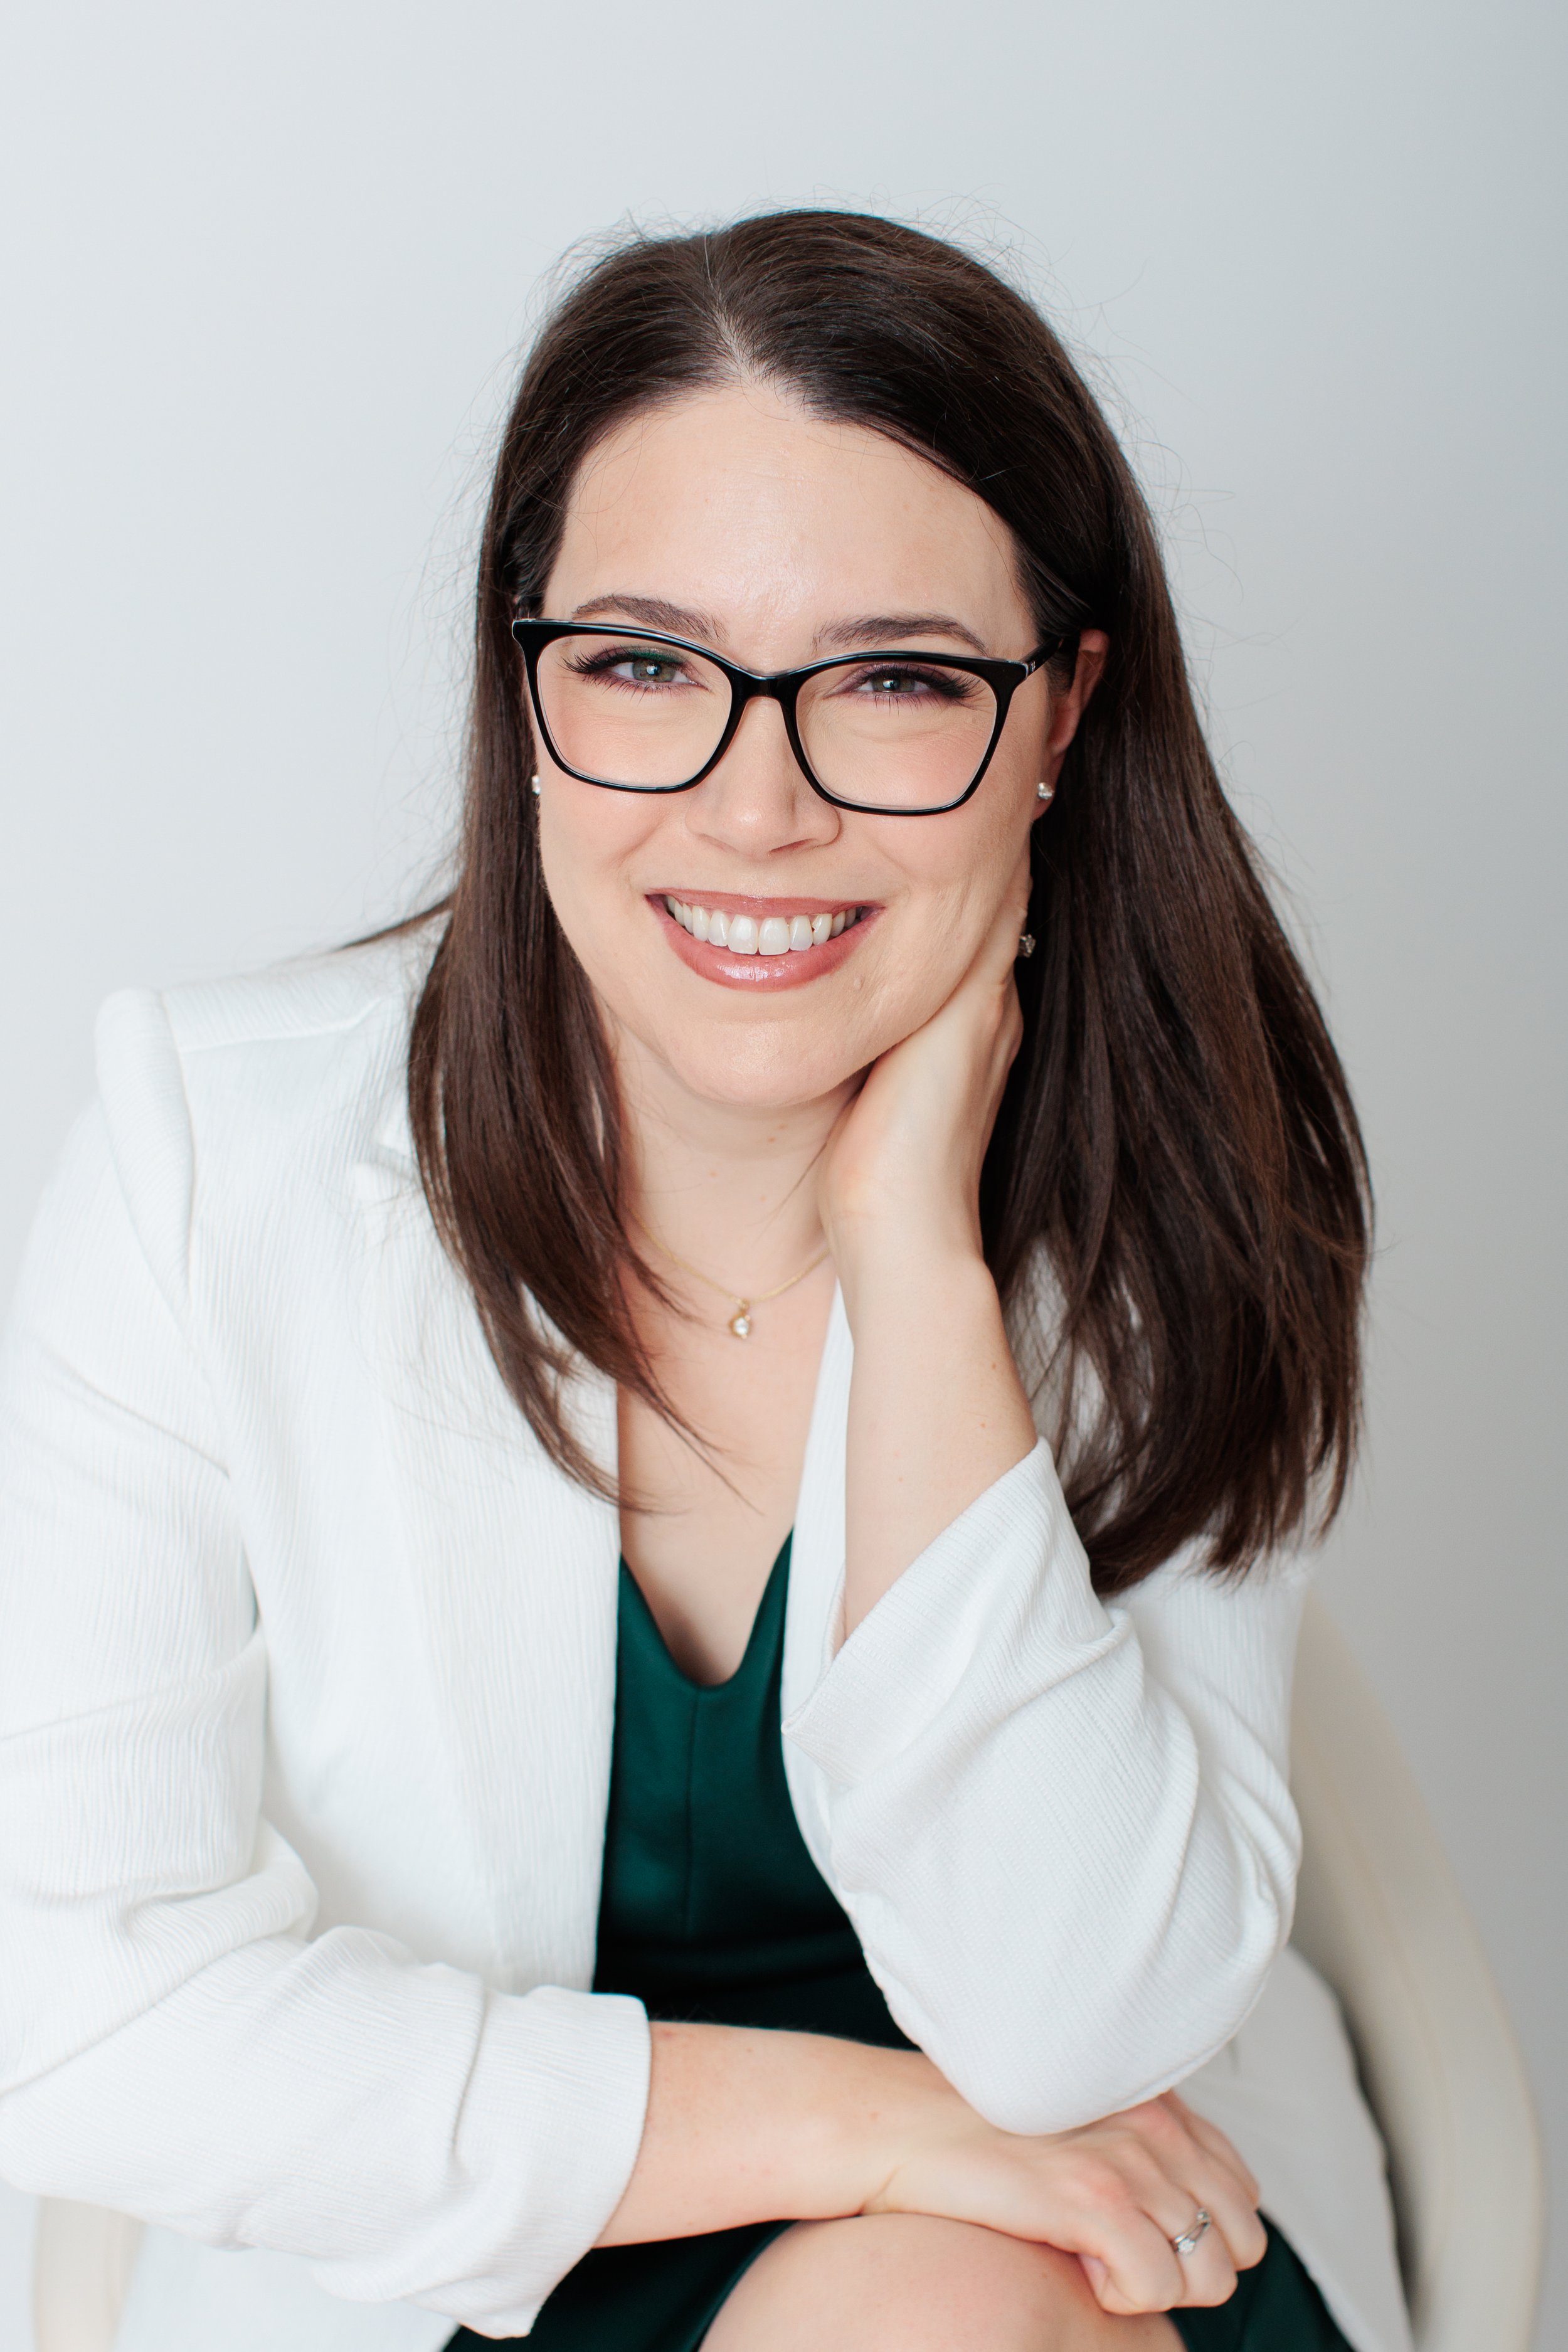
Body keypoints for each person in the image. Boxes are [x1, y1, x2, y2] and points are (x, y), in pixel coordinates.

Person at [0, 212, 1412, 2352]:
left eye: (895, 682)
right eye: (645, 666)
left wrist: (914, 1262)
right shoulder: (208, 1157)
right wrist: (856, 2130)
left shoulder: (1184, 1186)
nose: (755, 809)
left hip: (1090, 2233)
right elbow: (73, 2001)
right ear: (525, 688)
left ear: (1060, 710)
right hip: (455, 2246)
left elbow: (1069, 2028)